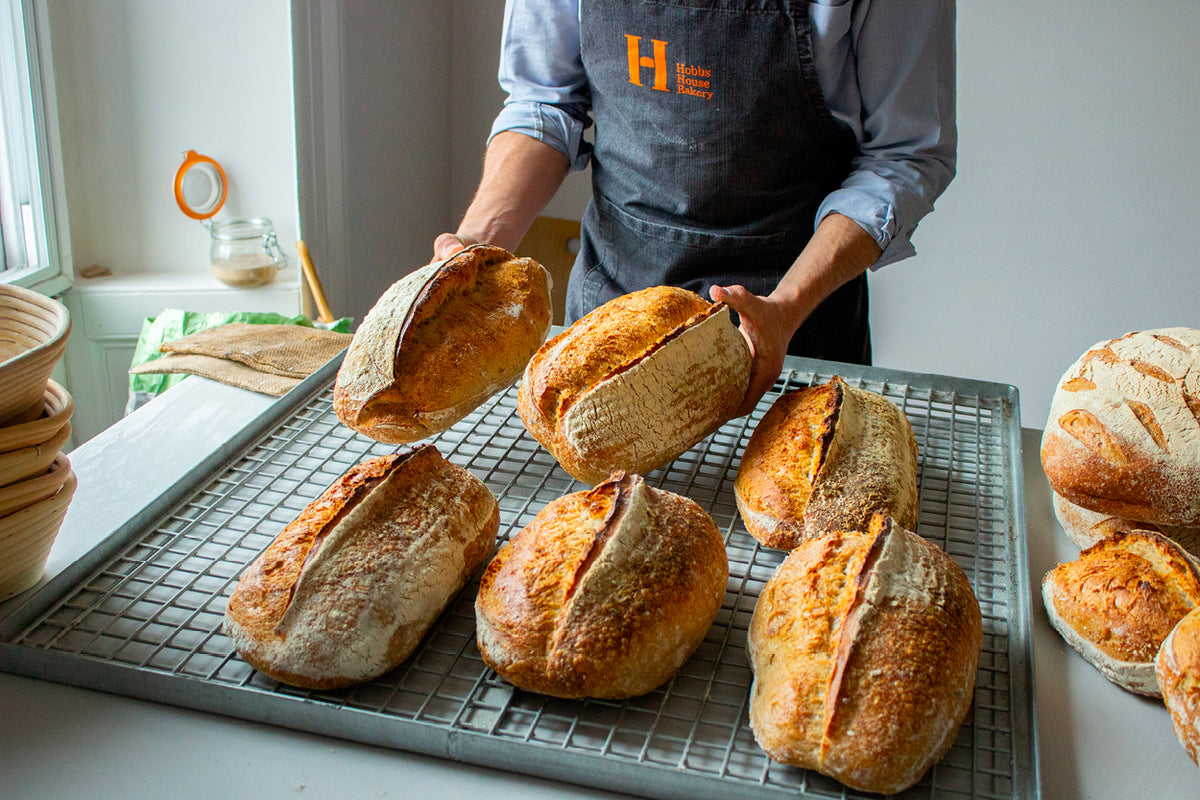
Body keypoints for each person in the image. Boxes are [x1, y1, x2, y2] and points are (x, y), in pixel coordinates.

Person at [434, 0, 956, 414]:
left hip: (789, 336)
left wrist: (786, 307)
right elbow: (543, 103)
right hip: (608, 323)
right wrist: (477, 247)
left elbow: (903, 155)